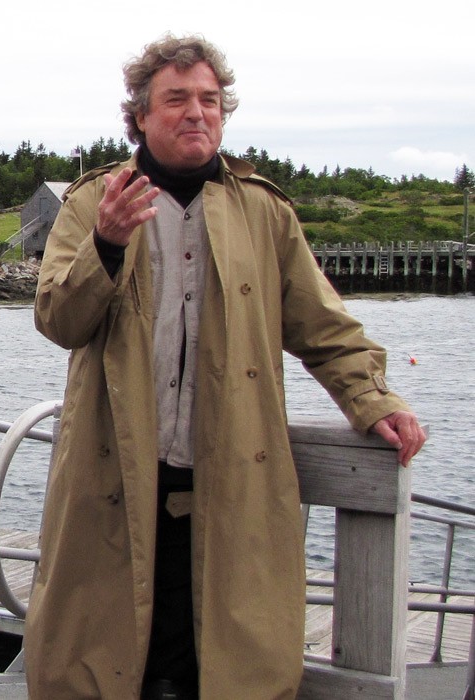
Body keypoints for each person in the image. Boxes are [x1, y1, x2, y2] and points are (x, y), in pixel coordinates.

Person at [25, 33, 427, 700]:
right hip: (118, 485)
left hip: (229, 482)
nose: (196, 113)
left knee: (220, 665)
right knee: (108, 660)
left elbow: (324, 328)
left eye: (210, 100)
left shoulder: (262, 210)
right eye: (176, 99)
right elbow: (58, 320)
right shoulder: (95, 202)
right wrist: (108, 243)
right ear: (141, 116)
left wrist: (374, 400)